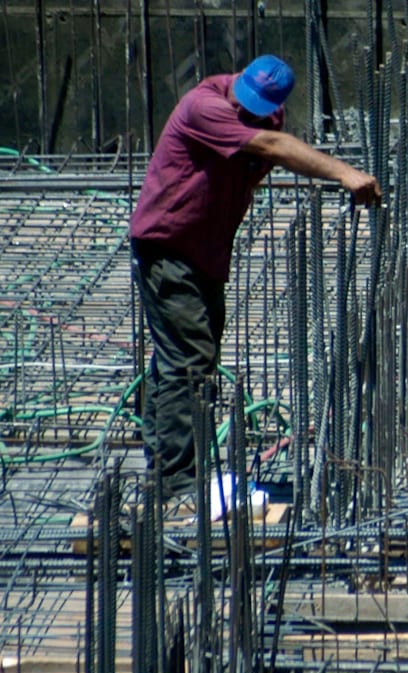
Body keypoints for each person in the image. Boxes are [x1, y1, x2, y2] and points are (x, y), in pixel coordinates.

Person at [129, 54, 383, 502]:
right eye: (244, 103)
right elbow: (272, 147)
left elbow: (270, 144)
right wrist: (345, 173)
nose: (246, 113)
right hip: (168, 252)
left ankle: (165, 472)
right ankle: (175, 487)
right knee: (187, 365)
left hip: (203, 256)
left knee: (181, 361)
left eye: (258, 109)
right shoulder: (204, 106)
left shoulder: (269, 116)